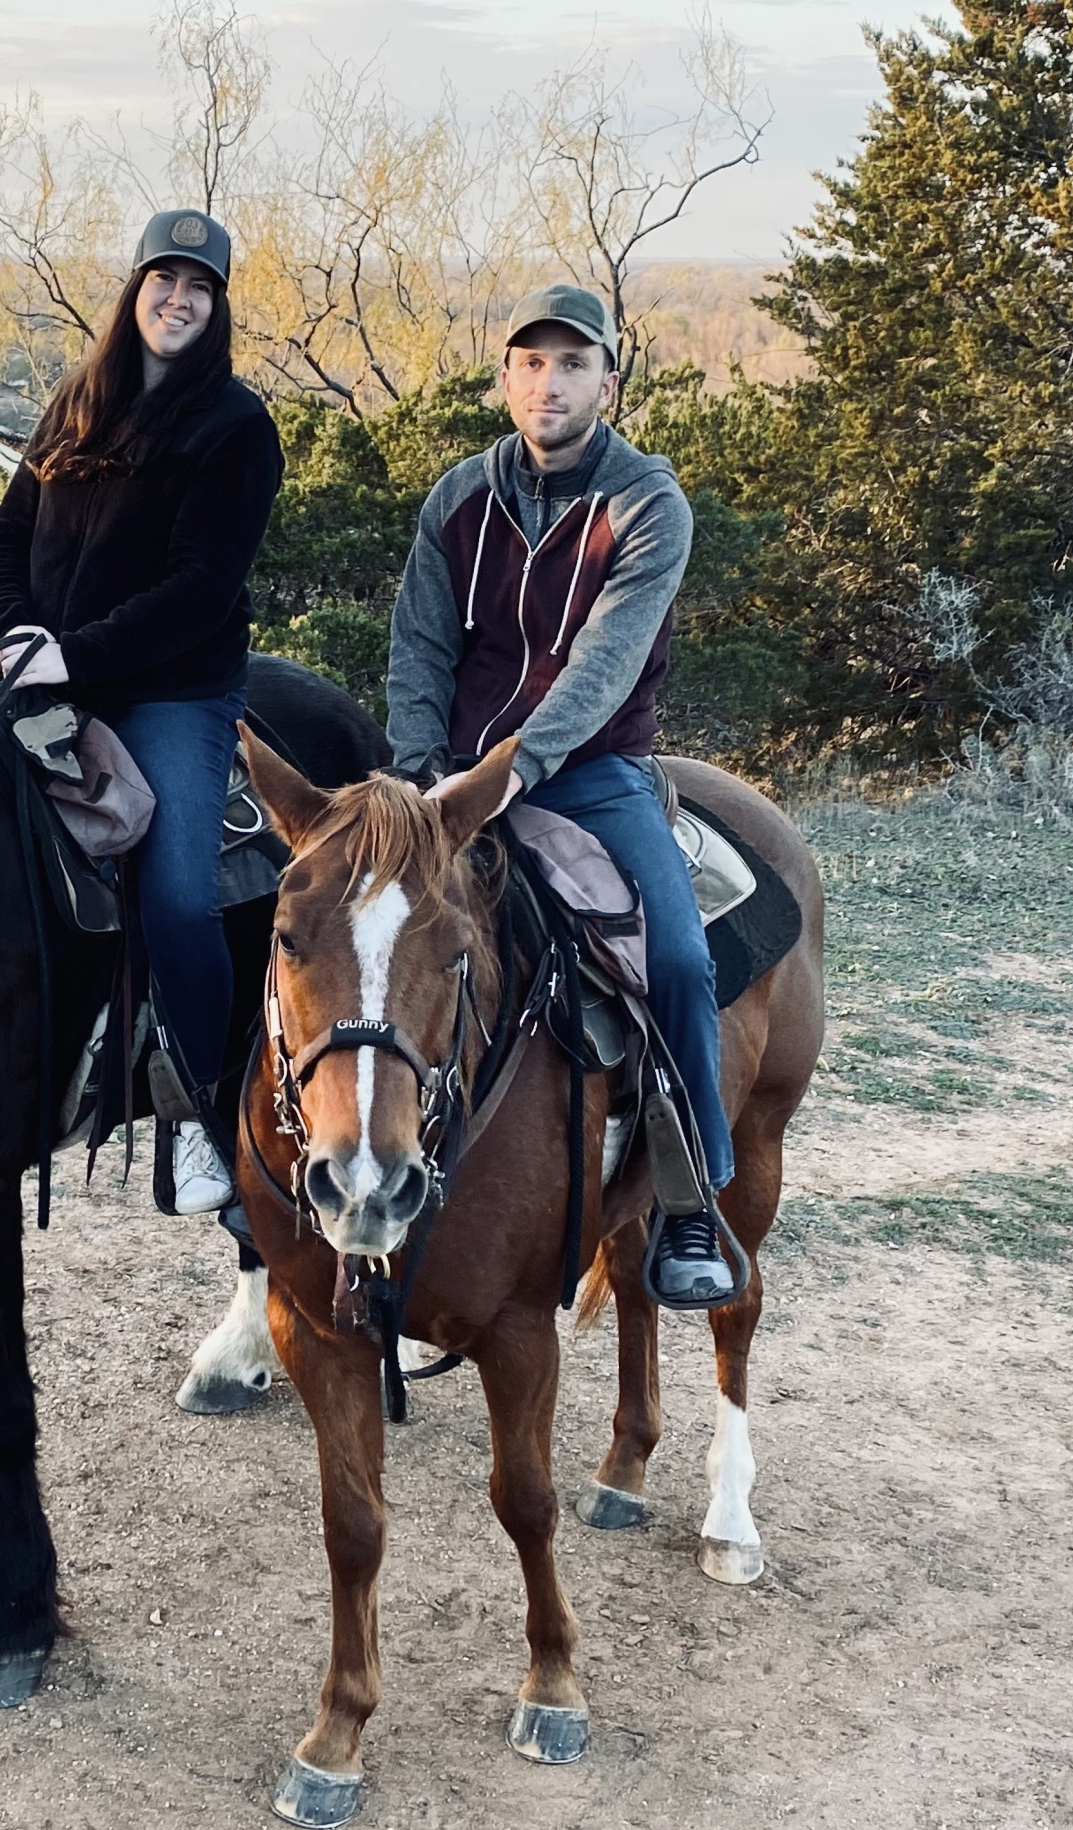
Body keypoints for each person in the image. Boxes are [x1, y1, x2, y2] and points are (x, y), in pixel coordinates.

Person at [385, 283, 736, 1309]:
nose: (549, 381)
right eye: (531, 362)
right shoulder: (458, 497)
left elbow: (601, 666)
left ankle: (686, 1203)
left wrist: (513, 770)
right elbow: (416, 646)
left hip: (592, 772)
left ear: (607, 383)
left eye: (572, 363)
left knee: (671, 951)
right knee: (335, 923)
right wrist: (419, 773)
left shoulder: (645, 504)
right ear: (504, 378)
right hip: (448, 773)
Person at [0, 208, 285, 1215]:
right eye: (164, 279)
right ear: (135, 290)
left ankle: (199, 1111)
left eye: (199, 287)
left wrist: (75, 654)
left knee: (179, 898)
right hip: (43, 668)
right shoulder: (77, 401)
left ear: (217, 307)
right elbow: (2, 539)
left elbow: (200, 589)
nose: (177, 299)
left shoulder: (234, 428)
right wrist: (20, 637)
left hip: (169, 692)